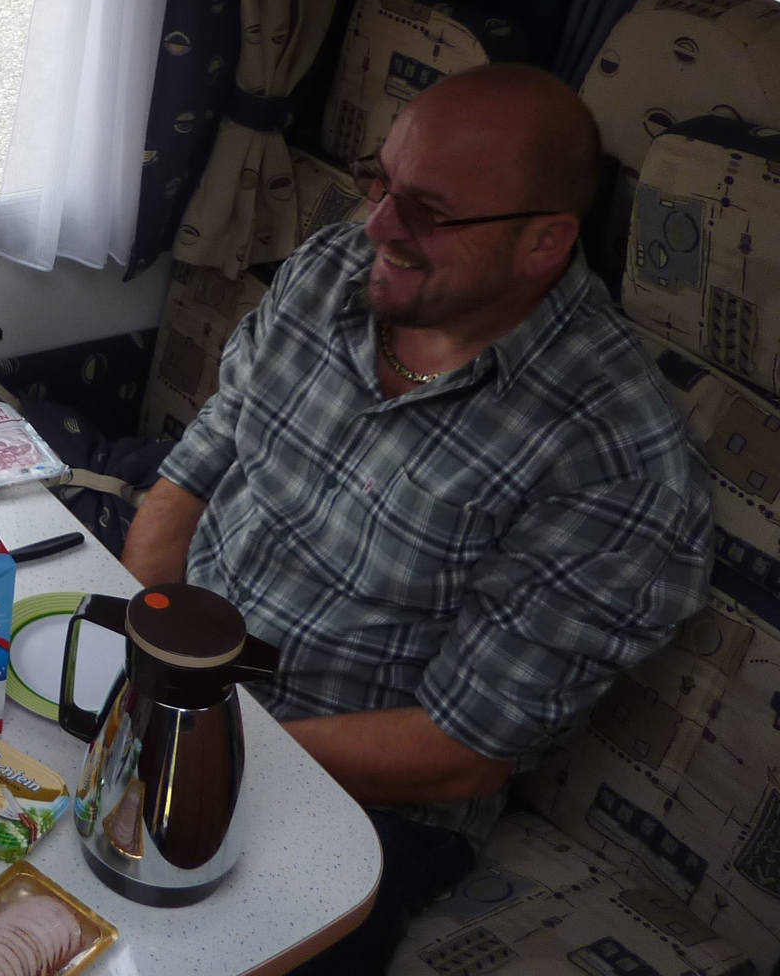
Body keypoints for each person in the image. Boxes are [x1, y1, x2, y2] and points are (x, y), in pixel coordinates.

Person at [119, 64, 711, 974]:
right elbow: (203, 459)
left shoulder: (611, 457)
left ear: (544, 242)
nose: (380, 226)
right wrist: (143, 646)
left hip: (365, 799)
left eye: (429, 211)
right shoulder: (333, 272)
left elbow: (463, 747)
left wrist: (203, 743)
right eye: (381, 181)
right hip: (189, 685)